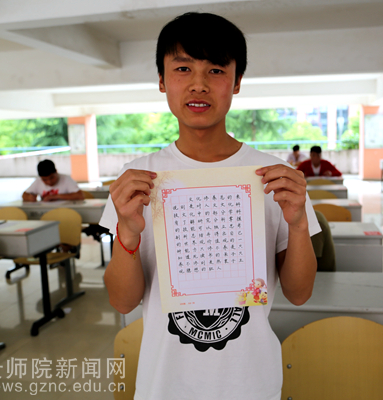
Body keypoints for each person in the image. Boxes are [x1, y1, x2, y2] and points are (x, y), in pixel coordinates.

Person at [99, 12, 320, 400]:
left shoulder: (274, 178)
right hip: (163, 385)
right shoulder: (137, 180)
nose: (198, 84)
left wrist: (299, 224)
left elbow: (299, 293)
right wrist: (128, 233)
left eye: (216, 70)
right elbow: (122, 301)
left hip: (251, 384)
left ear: (236, 83)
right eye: (183, 68)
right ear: (162, 81)